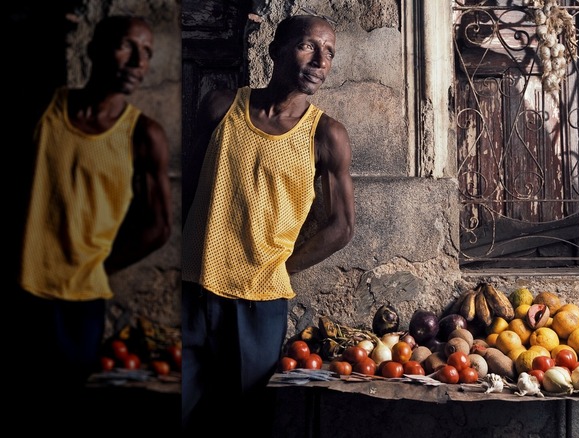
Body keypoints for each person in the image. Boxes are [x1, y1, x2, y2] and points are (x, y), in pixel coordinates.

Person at [181, 14, 355, 432]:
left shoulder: (325, 134)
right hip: (192, 286)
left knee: (241, 420)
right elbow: (187, 185)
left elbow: (341, 225)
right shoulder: (222, 105)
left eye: (329, 53)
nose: (320, 61)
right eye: (308, 45)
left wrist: (277, 268)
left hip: (258, 303)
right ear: (275, 49)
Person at [10, 15, 172, 428]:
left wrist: (97, 265)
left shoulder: (143, 134)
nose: (138, 61)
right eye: (126, 46)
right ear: (94, 49)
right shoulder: (44, 106)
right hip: (21, 288)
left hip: (80, 303)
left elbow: (159, 228)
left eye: (147, 53)